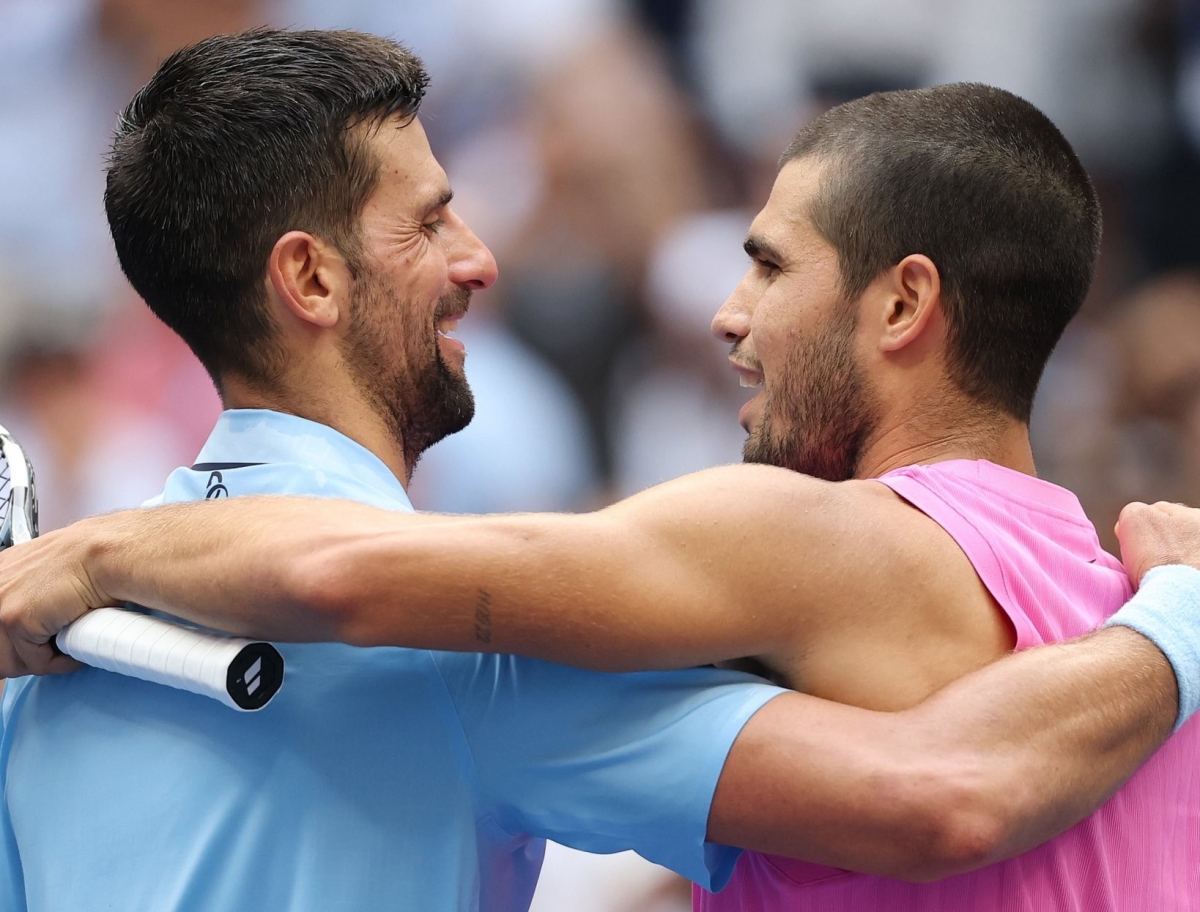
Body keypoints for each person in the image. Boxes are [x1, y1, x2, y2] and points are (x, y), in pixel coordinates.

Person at [1, 30, 1200, 912]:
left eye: (770, 267)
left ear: (906, 305)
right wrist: (1178, 619)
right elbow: (945, 794)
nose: (481, 258)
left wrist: (98, 548)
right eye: (430, 221)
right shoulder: (476, 663)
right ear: (309, 278)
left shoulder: (35, 652)